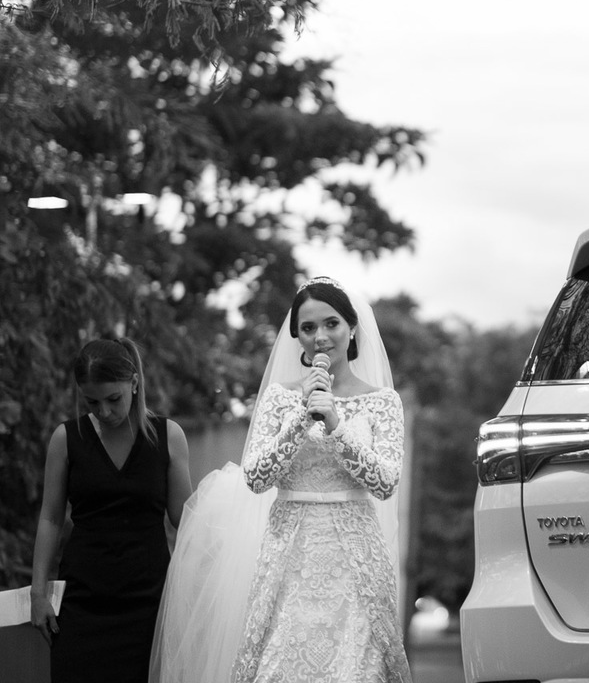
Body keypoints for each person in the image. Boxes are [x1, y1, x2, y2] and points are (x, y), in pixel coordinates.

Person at [151, 276, 411, 683]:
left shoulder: (382, 401)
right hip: (289, 550)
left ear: (352, 328)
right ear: (297, 337)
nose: (320, 337)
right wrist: (299, 419)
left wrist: (337, 426)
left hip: (356, 555)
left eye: (331, 324)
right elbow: (256, 477)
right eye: (307, 328)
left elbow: (385, 481)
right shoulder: (278, 397)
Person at [29, 338, 192, 683]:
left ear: (134, 383)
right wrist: (38, 592)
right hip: (82, 603)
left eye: (113, 399)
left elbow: (185, 518)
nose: (103, 411)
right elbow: (50, 518)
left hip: (150, 602)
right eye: (91, 401)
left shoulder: (169, 436)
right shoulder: (65, 439)